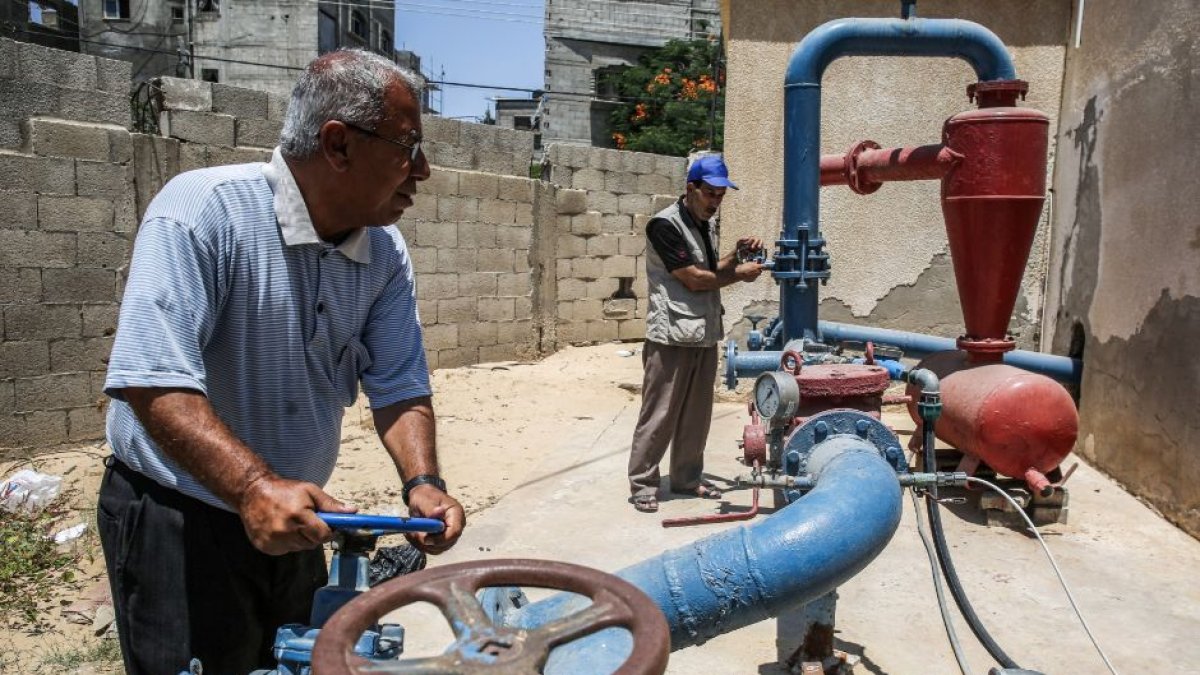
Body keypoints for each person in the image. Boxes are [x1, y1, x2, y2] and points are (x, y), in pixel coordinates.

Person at [97, 50, 465, 674]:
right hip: (180, 517)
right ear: (338, 144)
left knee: (297, 660)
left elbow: (399, 384)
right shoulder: (204, 210)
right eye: (408, 147)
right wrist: (251, 487)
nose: (423, 170)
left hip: (294, 514)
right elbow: (154, 380)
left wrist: (422, 484)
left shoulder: (383, 250)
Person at [628, 155, 764, 513]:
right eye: (710, 194)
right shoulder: (664, 225)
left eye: (720, 195)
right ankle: (643, 483)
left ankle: (687, 478)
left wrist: (736, 255)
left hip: (703, 332)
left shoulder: (703, 223)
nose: (715, 202)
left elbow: (711, 268)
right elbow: (693, 278)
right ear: (691, 188)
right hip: (671, 335)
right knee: (660, 414)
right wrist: (740, 275)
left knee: (697, 416)